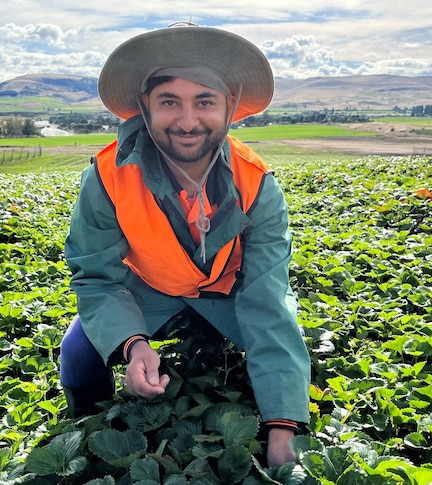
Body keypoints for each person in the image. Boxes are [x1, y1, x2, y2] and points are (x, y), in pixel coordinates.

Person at [59, 21, 311, 467]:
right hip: (148, 291)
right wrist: (132, 343)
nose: (188, 120)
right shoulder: (107, 175)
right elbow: (96, 275)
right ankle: (89, 431)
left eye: (205, 101)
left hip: (225, 294)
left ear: (229, 107)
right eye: (170, 101)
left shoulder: (258, 184)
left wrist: (282, 427)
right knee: (79, 354)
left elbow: (268, 297)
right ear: (145, 106)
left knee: (280, 363)